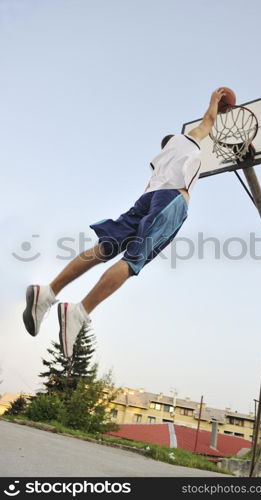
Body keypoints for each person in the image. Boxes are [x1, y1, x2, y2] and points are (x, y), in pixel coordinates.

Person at [23, 88, 227, 357]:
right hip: (172, 199)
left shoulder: (160, 162)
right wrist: (215, 101)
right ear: (177, 140)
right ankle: (78, 312)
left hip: (146, 197)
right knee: (134, 259)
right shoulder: (187, 141)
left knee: (105, 247)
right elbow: (208, 122)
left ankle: (48, 291)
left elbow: (148, 191)